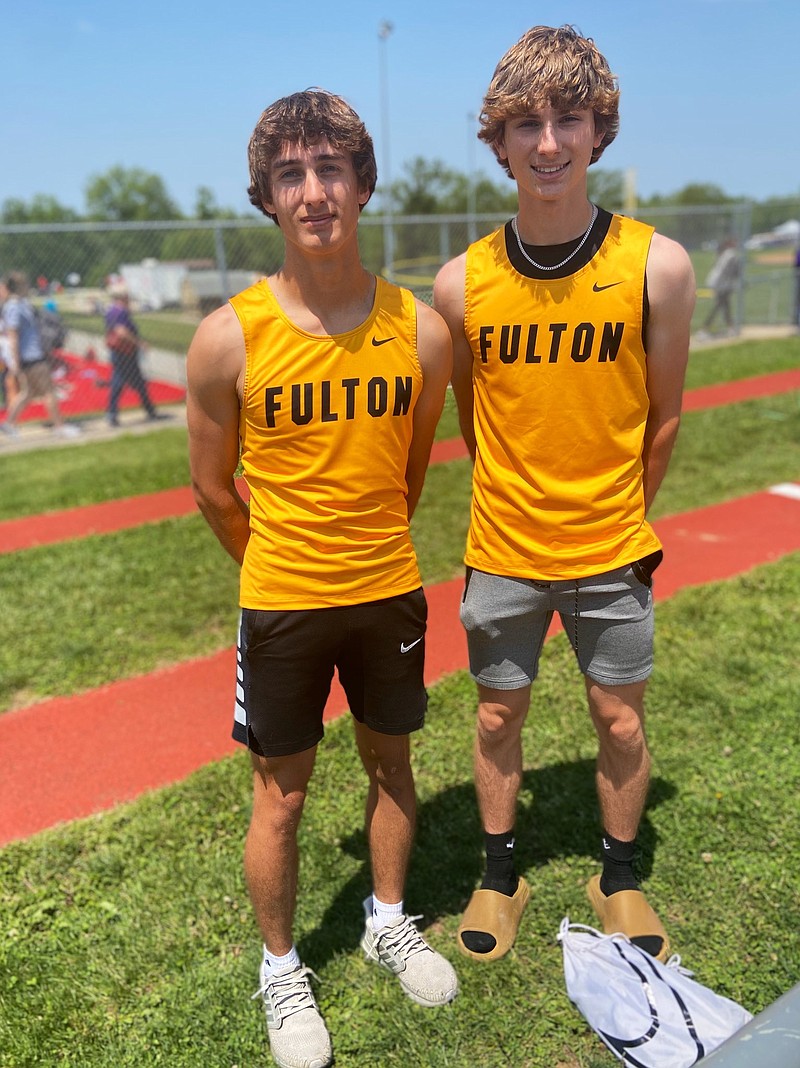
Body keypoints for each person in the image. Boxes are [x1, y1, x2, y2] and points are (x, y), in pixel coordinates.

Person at [186, 89, 457, 1068]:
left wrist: (358, 550)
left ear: (363, 183)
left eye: (329, 167)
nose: (313, 192)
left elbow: (409, 468)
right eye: (290, 174)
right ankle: (279, 970)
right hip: (284, 605)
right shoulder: (229, 338)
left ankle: (388, 919)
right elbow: (214, 493)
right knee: (281, 799)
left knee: (392, 764)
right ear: (266, 197)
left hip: (387, 588)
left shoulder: (421, 332)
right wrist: (280, 567)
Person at [434, 25, 695, 966]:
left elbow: (664, 417)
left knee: (620, 717)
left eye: (569, 119)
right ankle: (500, 871)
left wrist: (613, 516)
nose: (549, 142)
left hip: (611, 548)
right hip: (501, 549)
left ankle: (618, 874)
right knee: (498, 713)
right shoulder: (459, 285)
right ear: (498, 141)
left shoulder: (657, 265)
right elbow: (478, 421)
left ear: (599, 131)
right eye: (526, 122)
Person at [0, 272, 80, 439]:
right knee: (48, 391)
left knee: (28, 393)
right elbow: (13, 335)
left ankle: (9, 424)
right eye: (25, 285)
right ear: (18, 286)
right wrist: (15, 363)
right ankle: (59, 427)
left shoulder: (21, 304)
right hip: (30, 357)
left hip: (31, 355)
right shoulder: (13, 306)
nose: (28, 287)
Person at [104, 283, 160, 426]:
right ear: (123, 296)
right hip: (126, 352)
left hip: (117, 351)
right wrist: (139, 342)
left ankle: (113, 413)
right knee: (128, 381)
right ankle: (148, 410)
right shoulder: (121, 311)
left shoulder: (110, 310)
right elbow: (121, 332)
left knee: (124, 381)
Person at [701, 237, 741, 336]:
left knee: (725, 306)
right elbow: (734, 271)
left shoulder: (725, 254)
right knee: (720, 306)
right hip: (722, 284)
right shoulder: (730, 254)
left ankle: (730, 327)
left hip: (719, 283)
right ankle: (705, 328)